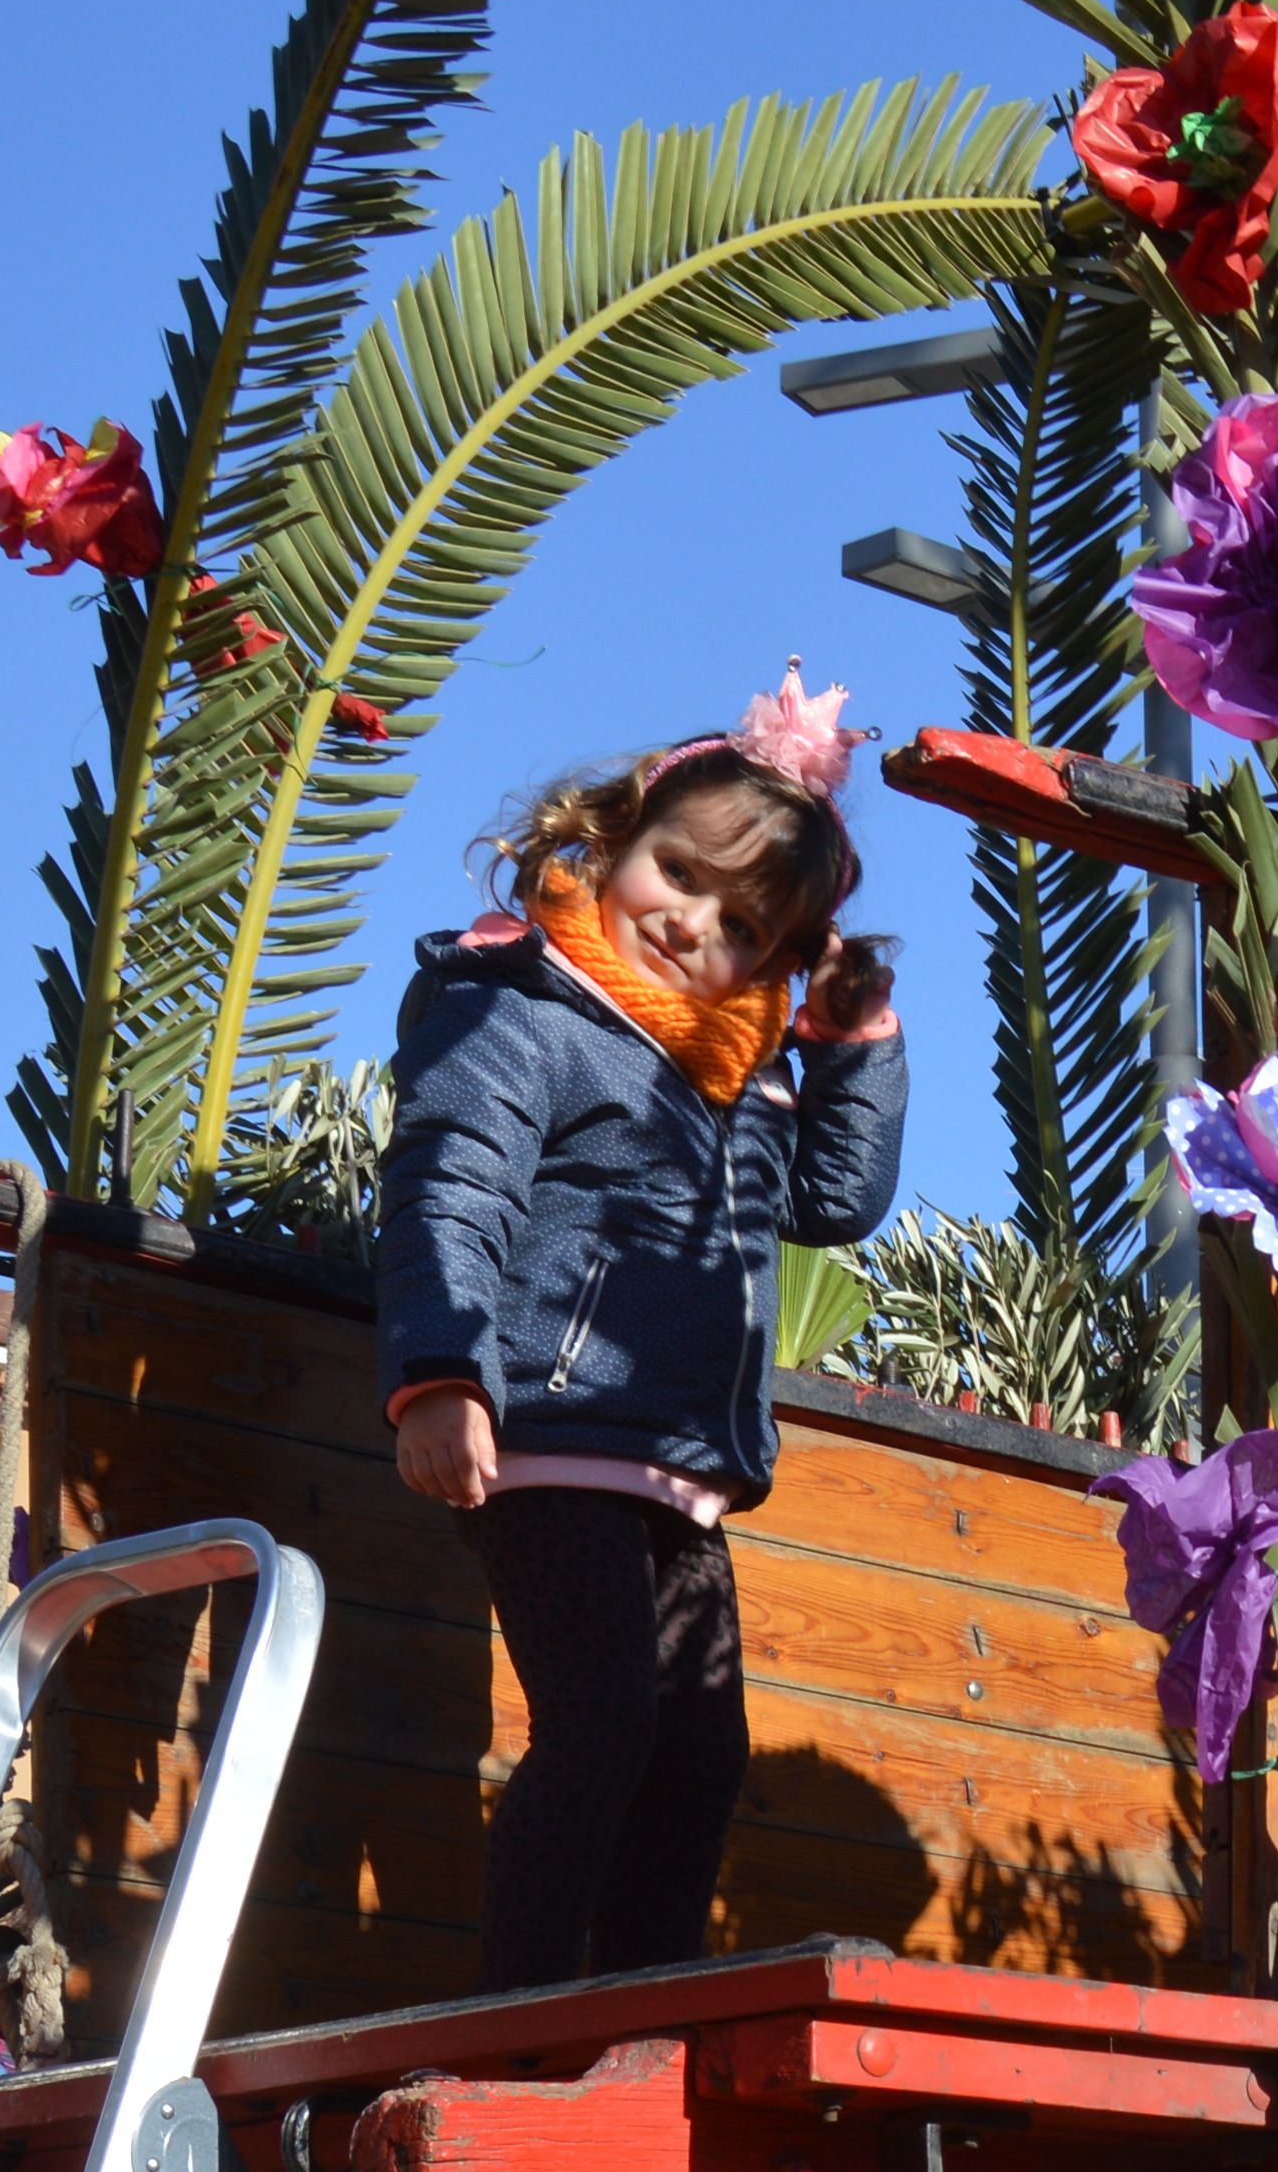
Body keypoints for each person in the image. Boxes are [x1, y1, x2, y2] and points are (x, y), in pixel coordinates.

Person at [373, 681, 909, 1993]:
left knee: (696, 1756)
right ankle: (527, 2006)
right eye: (678, 872)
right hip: (547, 1442)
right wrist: (443, 1373)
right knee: (603, 1721)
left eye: (742, 926)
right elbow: (449, 1183)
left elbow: (837, 1200)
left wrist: (852, 1042)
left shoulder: (742, 1065)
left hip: (676, 1466)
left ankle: (644, 2006)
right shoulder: (521, 1012)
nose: (691, 923)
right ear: (614, 838)